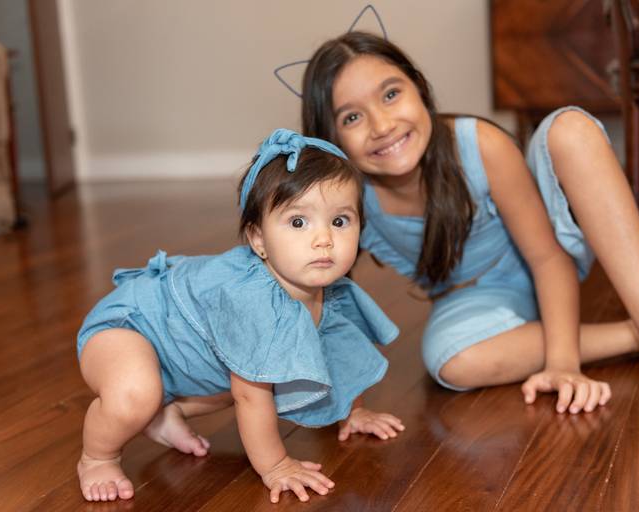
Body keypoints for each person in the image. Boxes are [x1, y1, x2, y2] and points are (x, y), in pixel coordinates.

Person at [300, 31, 639, 419]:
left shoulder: (479, 144)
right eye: (352, 117)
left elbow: (547, 259)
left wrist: (563, 366)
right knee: (453, 364)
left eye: (391, 94)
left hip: (546, 255)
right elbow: (329, 302)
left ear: (419, 89)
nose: (381, 124)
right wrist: (352, 405)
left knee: (571, 129)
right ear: (330, 138)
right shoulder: (348, 200)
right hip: (474, 299)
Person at [75, 129, 405, 504]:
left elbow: (342, 355)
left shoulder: (331, 291)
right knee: (142, 393)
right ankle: (97, 457)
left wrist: (353, 412)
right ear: (258, 239)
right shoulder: (253, 302)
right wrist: (276, 465)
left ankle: (163, 414)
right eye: (299, 222)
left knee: (256, 372)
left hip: (182, 352)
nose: (324, 239)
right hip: (128, 329)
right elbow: (250, 398)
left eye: (340, 221)